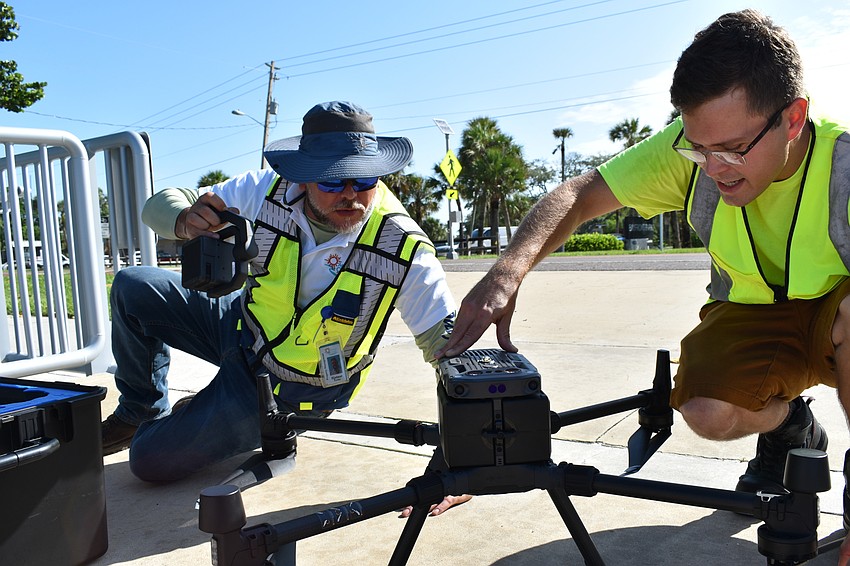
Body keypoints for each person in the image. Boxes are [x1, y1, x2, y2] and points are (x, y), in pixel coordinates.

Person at [438, 9, 850, 561]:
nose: (714, 167)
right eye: (698, 149)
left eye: (732, 149)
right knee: (706, 411)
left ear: (793, 119)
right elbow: (581, 194)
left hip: (838, 312)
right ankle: (792, 427)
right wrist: (507, 272)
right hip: (754, 312)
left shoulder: (843, 163)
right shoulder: (694, 148)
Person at [102, 100, 469, 516]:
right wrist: (186, 218)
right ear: (303, 176)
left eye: (364, 178)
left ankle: (230, 420)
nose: (350, 195)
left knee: (147, 460)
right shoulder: (263, 190)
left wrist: (461, 466)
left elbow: (452, 351)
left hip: (290, 388)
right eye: (332, 181)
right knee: (134, 285)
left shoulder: (403, 246)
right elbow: (159, 207)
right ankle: (140, 410)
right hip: (241, 327)